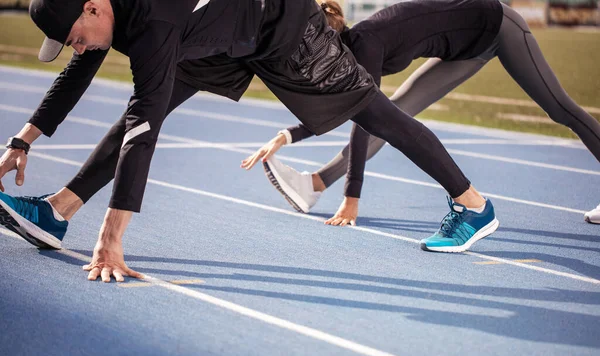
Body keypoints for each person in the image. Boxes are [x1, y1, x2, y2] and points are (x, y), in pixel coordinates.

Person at [0, 0, 501, 285]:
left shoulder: (152, 23)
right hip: (219, 32)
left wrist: (111, 239)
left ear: (93, 6)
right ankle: (57, 212)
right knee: (142, 108)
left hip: (282, 28)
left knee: (376, 113)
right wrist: (21, 141)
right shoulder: (108, 12)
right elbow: (77, 71)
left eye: (75, 35)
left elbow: (143, 130)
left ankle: (472, 204)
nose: (77, 46)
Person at [245, 0, 600, 227]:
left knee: (560, 109)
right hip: (465, 50)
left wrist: (352, 200)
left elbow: (359, 116)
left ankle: (319, 184)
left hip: (496, 24)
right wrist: (289, 134)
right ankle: (315, 184)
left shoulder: (365, 45)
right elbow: (358, 109)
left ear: (330, 41)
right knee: (393, 117)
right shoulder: (353, 49)